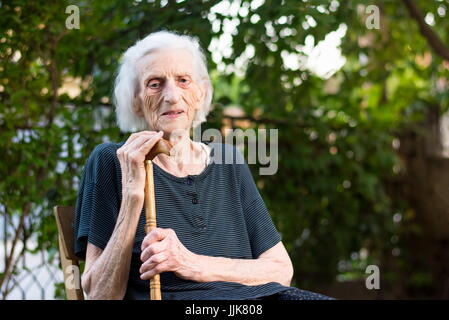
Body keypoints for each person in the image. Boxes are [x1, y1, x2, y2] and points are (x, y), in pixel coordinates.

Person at [73, 30, 333, 300]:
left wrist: (189, 262)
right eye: (154, 83)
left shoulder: (227, 162)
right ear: (136, 100)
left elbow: (280, 270)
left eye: (183, 80)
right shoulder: (113, 161)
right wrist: (133, 196)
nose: (172, 95)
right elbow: (99, 295)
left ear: (201, 92)